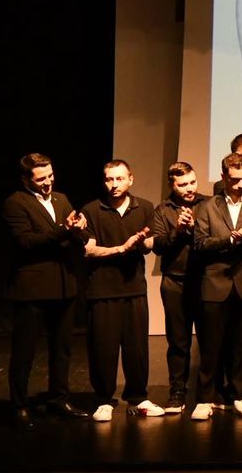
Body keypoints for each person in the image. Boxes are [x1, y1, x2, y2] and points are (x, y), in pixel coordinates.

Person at [3, 153, 92, 429]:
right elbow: (26, 241)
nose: (48, 182)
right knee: (24, 351)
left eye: (50, 176)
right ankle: (19, 405)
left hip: (64, 284)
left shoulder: (61, 199)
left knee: (62, 348)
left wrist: (80, 230)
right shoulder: (15, 203)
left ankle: (59, 399)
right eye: (41, 178)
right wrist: (64, 230)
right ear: (26, 179)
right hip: (33, 288)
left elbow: (78, 237)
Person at [80, 160, 163, 421]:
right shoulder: (92, 209)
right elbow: (88, 250)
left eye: (119, 178)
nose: (114, 184)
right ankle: (104, 400)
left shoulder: (144, 207)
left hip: (134, 288)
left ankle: (138, 398)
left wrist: (141, 242)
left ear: (130, 179)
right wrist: (120, 248)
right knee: (103, 349)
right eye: (109, 179)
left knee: (136, 349)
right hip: (102, 289)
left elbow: (149, 245)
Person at [190, 153, 242, 420]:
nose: (239, 185)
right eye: (234, 180)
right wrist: (232, 239)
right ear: (223, 176)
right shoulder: (207, 206)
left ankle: (240, 396)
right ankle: (205, 398)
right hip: (216, 282)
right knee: (211, 345)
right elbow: (200, 243)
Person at [149, 162, 203, 415]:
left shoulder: (208, 204)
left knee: (210, 340)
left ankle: (208, 392)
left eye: (192, 182)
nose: (190, 188)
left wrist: (194, 228)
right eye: (183, 185)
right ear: (172, 185)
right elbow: (158, 246)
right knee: (178, 341)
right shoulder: (162, 210)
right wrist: (179, 231)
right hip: (175, 282)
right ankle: (177, 392)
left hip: (205, 281)